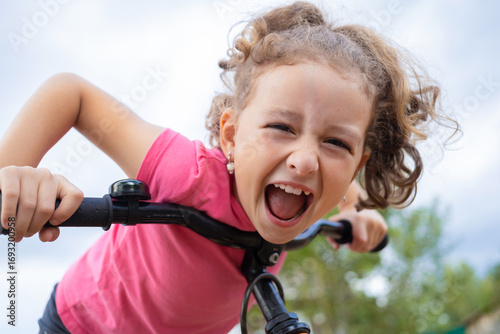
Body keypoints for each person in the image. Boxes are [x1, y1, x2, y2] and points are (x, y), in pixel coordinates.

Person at [0, 1, 456, 333]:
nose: (304, 160)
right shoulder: (186, 172)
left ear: (357, 162)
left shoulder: (323, 192)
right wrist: (10, 179)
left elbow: (344, 195)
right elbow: (71, 93)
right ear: (232, 136)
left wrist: (359, 219)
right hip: (83, 323)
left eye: (336, 143)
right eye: (281, 126)